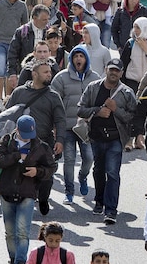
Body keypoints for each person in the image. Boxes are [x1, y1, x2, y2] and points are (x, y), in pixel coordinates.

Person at [77, 59, 137, 224]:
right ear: (105, 69)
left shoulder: (126, 92)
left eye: (117, 70)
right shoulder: (93, 87)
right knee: (98, 171)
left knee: (112, 173)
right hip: (96, 137)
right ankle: (99, 201)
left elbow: (133, 116)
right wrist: (97, 111)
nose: (113, 73)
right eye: (111, 69)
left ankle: (111, 210)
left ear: (122, 73)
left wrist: (116, 109)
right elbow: (80, 109)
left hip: (115, 139)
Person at [0, 115, 57, 264]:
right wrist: (16, 156)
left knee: (22, 232)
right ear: (17, 129)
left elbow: (51, 167)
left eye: (30, 135)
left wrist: (38, 171)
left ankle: (20, 262)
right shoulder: (6, 141)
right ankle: (13, 258)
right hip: (6, 192)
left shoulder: (41, 146)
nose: (27, 138)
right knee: (10, 233)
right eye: (24, 135)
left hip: (27, 193)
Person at [5, 63, 66, 215]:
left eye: (50, 72)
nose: (49, 75)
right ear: (34, 74)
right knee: (21, 174)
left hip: (45, 142)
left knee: (46, 175)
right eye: (45, 72)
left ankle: (43, 198)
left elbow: (60, 120)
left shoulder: (53, 96)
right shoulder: (19, 92)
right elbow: (8, 116)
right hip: (21, 142)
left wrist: (60, 140)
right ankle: (23, 202)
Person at [51, 45, 99, 204]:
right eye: (76, 56)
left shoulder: (95, 78)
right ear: (71, 58)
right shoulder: (61, 77)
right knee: (69, 159)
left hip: (86, 128)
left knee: (89, 158)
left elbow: (100, 101)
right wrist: (55, 126)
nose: (79, 59)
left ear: (86, 59)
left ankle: (83, 177)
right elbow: (54, 102)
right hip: (66, 127)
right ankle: (69, 191)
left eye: (82, 56)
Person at [7, 5, 52, 89]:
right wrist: (12, 73)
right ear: (34, 18)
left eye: (48, 19)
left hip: (45, 73)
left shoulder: (49, 31)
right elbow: (12, 53)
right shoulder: (22, 32)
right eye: (44, 20)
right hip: (26, 73)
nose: (47, 22)